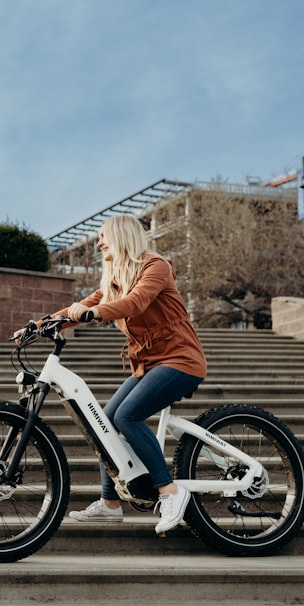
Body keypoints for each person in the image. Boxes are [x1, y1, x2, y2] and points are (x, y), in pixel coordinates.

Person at [55, 214, 206, 534]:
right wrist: (40, 324)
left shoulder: (156, 266)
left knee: (127, 417)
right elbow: (81, 307)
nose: (98, 244)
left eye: (103, 237)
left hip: (180, 358)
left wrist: (94, 313)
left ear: (122, 236)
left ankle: (169, 491)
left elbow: (135, 302)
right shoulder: (113, 281)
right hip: (148, 363)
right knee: (104, 423)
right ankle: (111, 505)